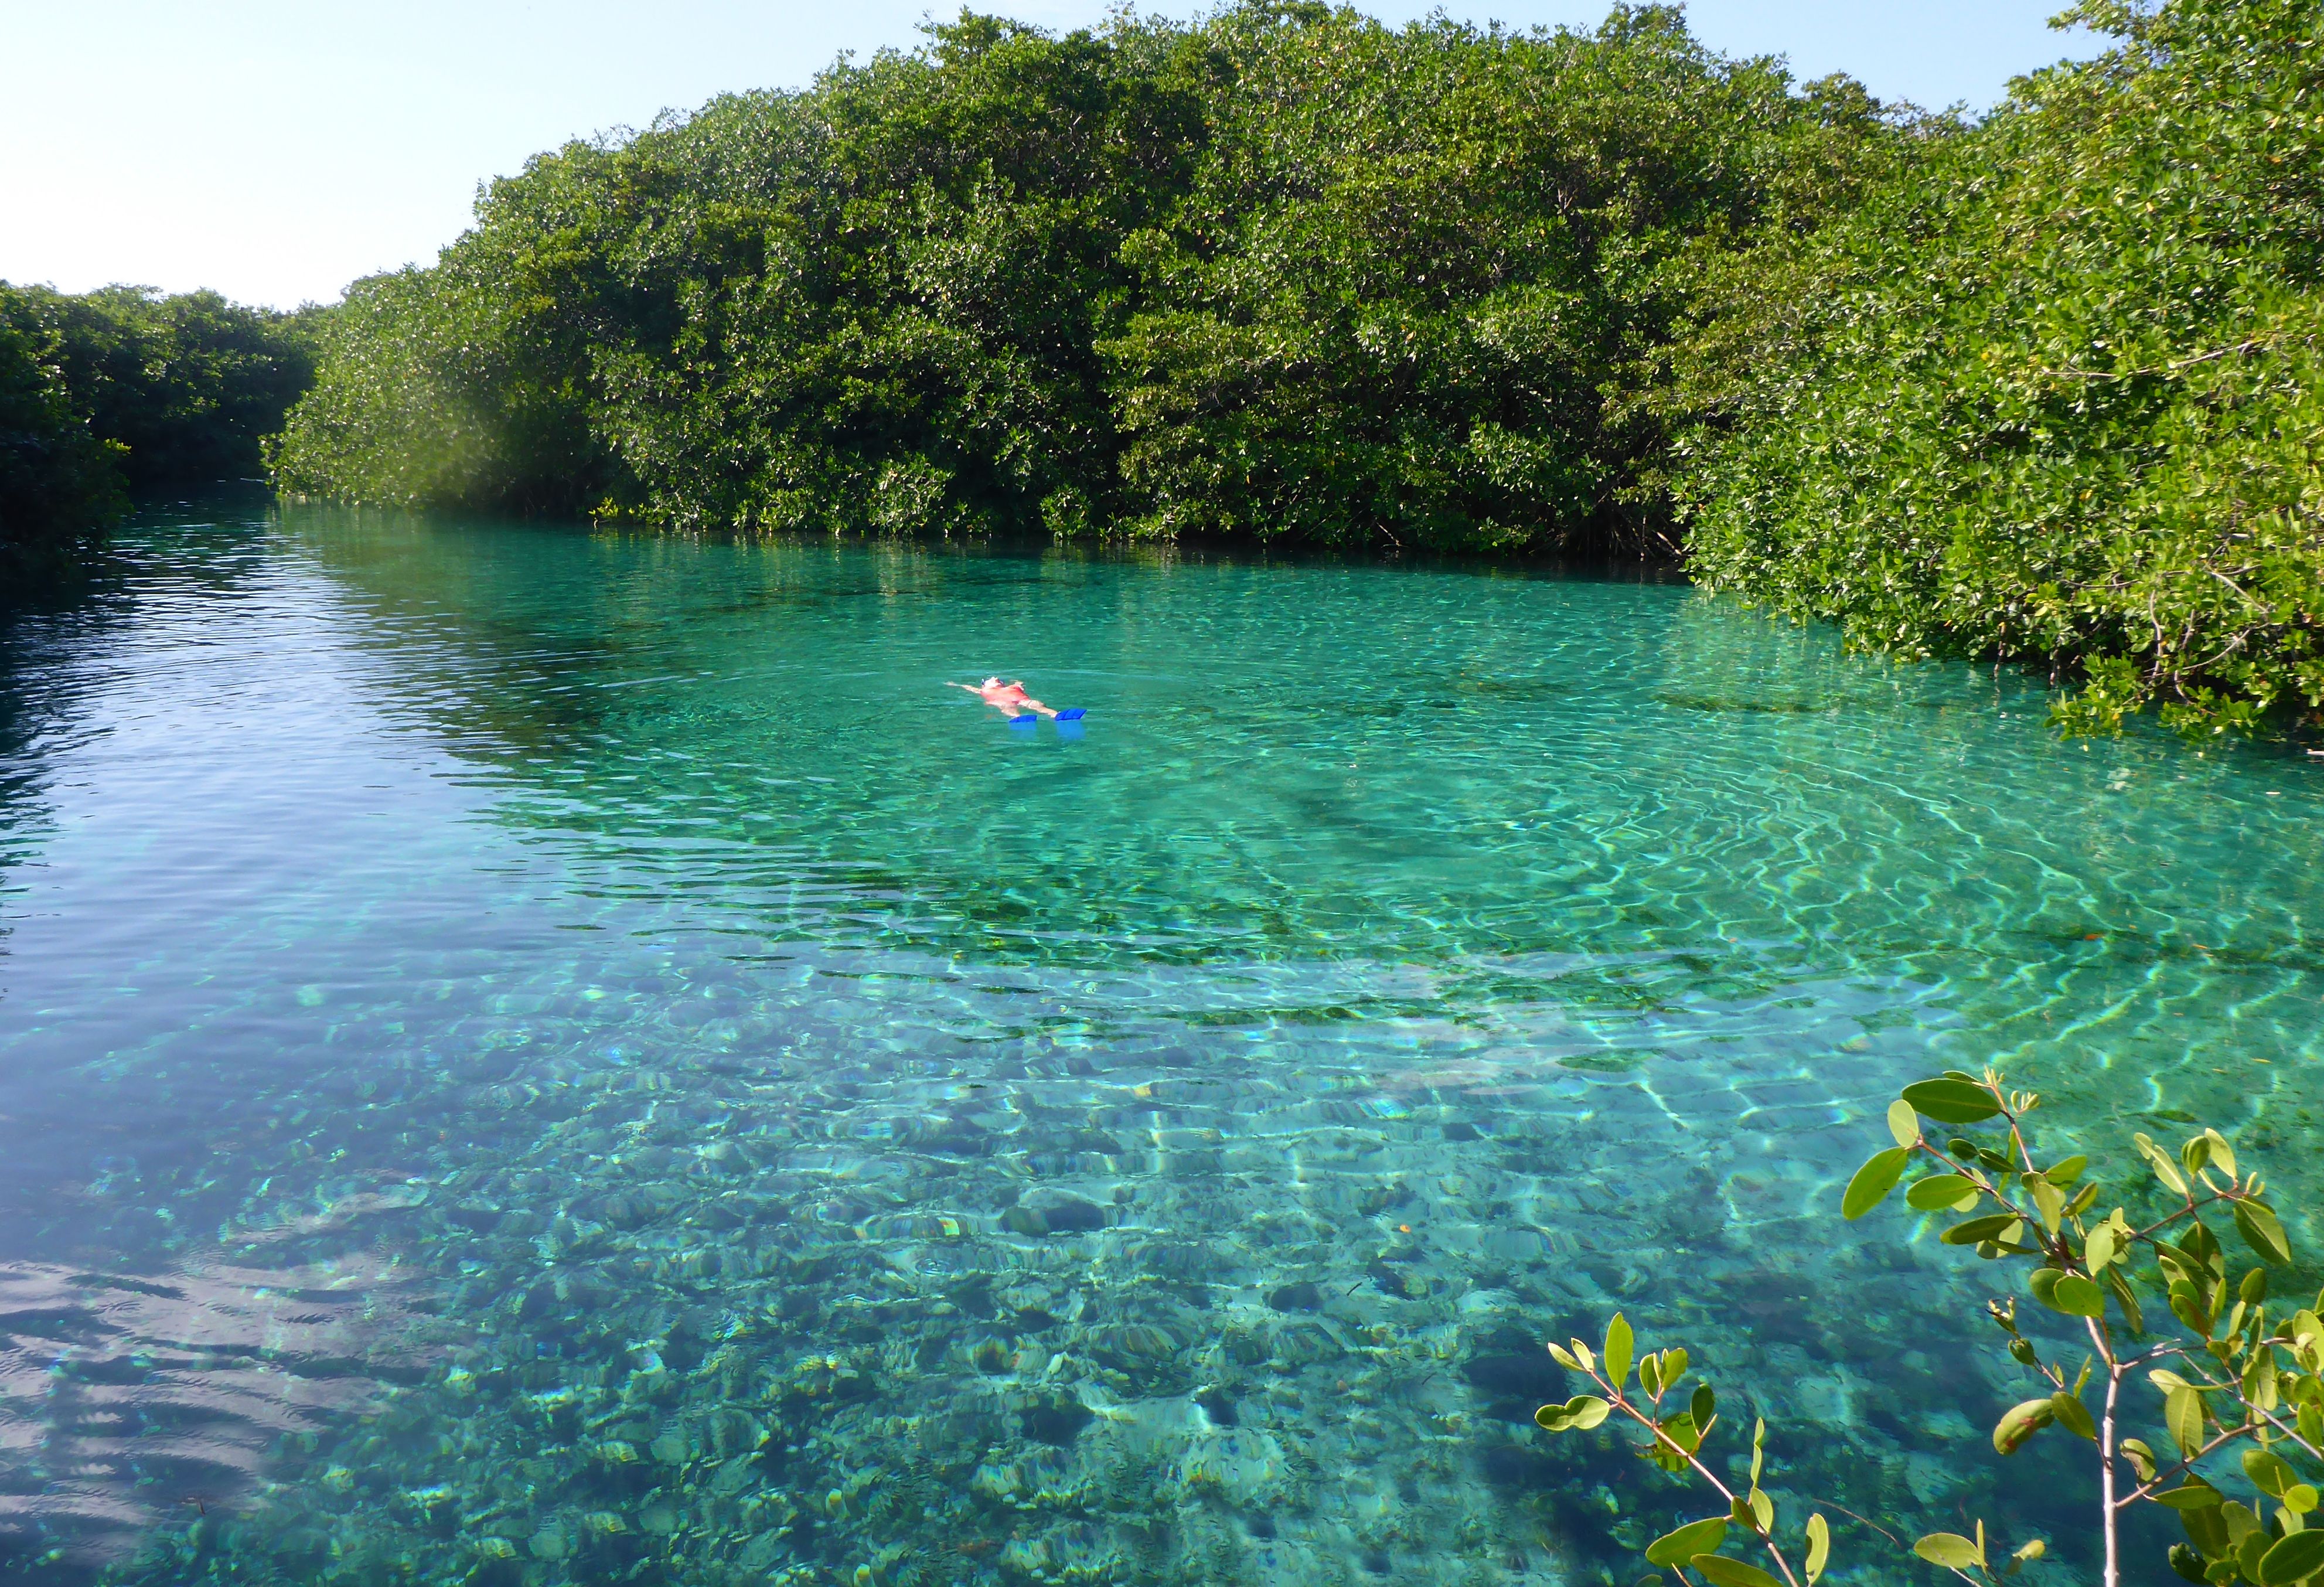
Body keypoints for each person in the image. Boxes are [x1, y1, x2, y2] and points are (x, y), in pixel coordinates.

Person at [949, 676, 1058, 718]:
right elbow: (969, 688)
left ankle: (1055, 714)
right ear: (984, 685)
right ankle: (1017, 718)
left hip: (1022, 700)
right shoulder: (983, 690)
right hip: (1000, 702)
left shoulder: (1013, 687)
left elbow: (1020, 683)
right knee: (1006, 705)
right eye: (991, 680)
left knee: (1035, 704)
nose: (996, 679)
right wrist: (955, 685)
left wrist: (1017, 681)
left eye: (999, 680)